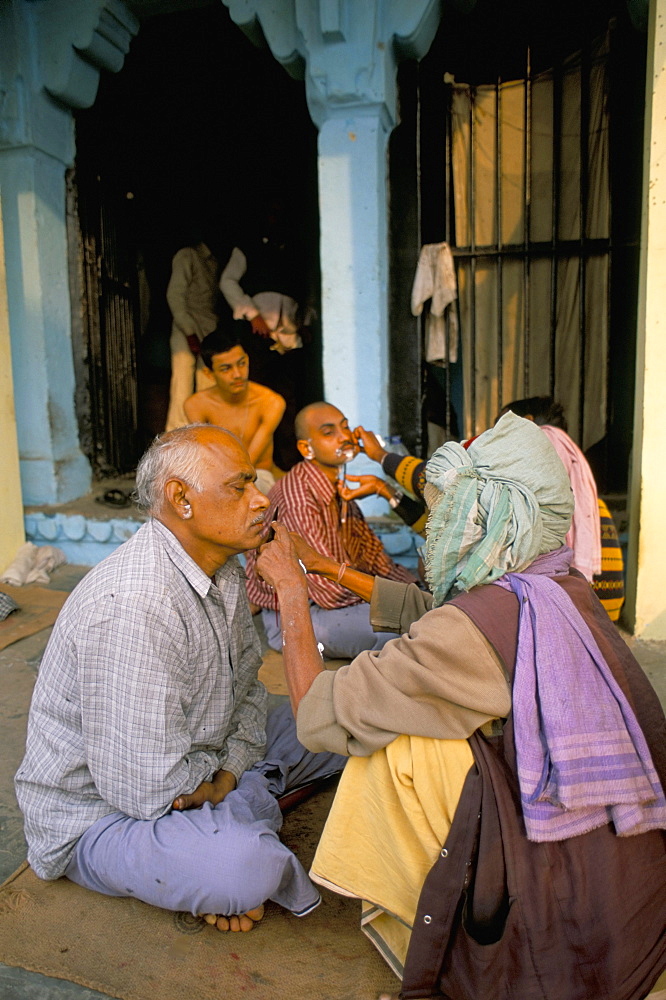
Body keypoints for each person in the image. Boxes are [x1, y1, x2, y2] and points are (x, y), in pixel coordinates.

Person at [254, 411, 666, 999]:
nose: (435, 527)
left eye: (448, 511)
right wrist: (325, 566)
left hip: (569, 904)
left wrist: (291, 592)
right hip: (628, 887)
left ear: (491, 520)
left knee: (387, 745)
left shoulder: (474, 630)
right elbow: (460, 620)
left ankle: (431, 927)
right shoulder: (558, 581)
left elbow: (321, 714)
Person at [15, 425, 345, 933]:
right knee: (241, 868)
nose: (262, 501)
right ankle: (235, 829)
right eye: (239, 488)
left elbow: (251, 693)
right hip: (104, 815)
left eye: (255, 483)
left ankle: (238, 811)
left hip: (202, 761)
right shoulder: (133, 605)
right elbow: (145, 792)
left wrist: (229, 774)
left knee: (343, 724)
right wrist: (230, 771)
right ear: (180, 499)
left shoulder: (225, 568)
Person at [244, 402, 417, 659]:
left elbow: (375, 559)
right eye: (329, 432)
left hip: (341, 602)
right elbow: (329, 591)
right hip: (300, 613)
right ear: (306, 448)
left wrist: (414, 592)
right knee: (401, 632)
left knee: (417, 607)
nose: (345, 437)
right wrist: (395, 602)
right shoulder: (299, 499)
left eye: (345, 427)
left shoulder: (337, 486)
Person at [501, 395, 625, 621]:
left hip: (588, 604)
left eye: (500, 427)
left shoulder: (546, 440)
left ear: (527, 421)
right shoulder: (570, 459)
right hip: (602, 602)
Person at [219, 202, 313, 470]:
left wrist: (304, 322)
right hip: (257, 334)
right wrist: (251, 314)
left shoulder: (295, 249)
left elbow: (307, 291)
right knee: (255, 396)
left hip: (290, 337)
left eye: (279, 214)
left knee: (288, 399)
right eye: (270, 213)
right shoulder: (247, 246)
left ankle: (288, 465)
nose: (275, 218)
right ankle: (251, 462)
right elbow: (227, 281)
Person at [184, 324, 286, 496]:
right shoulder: (196, 405)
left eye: (242, 363)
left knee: (252, 486)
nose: (238, 374)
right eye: (226, 369)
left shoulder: (270, 401)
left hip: (257, 475)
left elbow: (248, 462)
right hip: (217, 476)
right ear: (209, 374)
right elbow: (207, 455)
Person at [165, 238, 228, 432]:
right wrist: (189, 333)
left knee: (208, 381)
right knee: (182, 382)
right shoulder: (188, 255)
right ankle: (176, 435)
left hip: (209, 327)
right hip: (187, 324)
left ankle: (205, 434)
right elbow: (175, 296)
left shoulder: (216, 262)